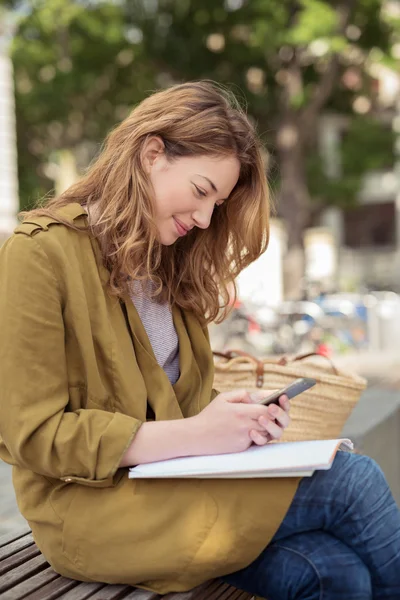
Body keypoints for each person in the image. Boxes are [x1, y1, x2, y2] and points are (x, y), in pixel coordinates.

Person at [0, 81, 399, 600]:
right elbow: (29, 434)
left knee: (334, 570)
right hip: (95, 509)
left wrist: (233, 414)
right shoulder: (37, 256)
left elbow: (173, 407)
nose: (207, 218)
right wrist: (199, 435)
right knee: (352, 481)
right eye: (201, 190)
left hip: (177, 485)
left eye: (219, 202)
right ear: (152, 154)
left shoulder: (171, 264)